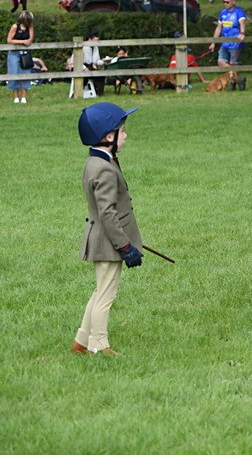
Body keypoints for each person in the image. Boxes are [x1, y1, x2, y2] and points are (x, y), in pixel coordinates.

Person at [74, 102, 143, 356]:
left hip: (104, 238)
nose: (126, 135)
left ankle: (81, 341)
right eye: (122, 131)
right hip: (108, 241)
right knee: (106, 296)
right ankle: (99, 345)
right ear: (109, 136)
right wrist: (125, 246)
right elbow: (107, 212)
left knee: (99, 291)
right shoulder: (103, 168)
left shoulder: (96, 161)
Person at [208, 0, 247, 90]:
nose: (225, 4)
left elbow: (242, 23)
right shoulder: (223, 13)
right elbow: (219, 28)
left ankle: (232, 84)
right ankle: (239, 80)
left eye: (227, 2)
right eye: (224, 2)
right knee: (220, 62)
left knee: (233, 64)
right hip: (224, 43)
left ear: (233, 2)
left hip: (235, 43)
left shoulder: (239, 12)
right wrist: (213, 42)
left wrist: (242, 33)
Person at [7, 10, 34, 104]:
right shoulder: (15, 26)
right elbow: (9, 40)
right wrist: (22, 42)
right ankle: (15, 97)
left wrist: (28, 41)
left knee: (26, 73)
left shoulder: (30, 26)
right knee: (13, 73)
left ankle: (24, 97)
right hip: (14, 53)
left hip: (25, 53)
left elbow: (30, 39)